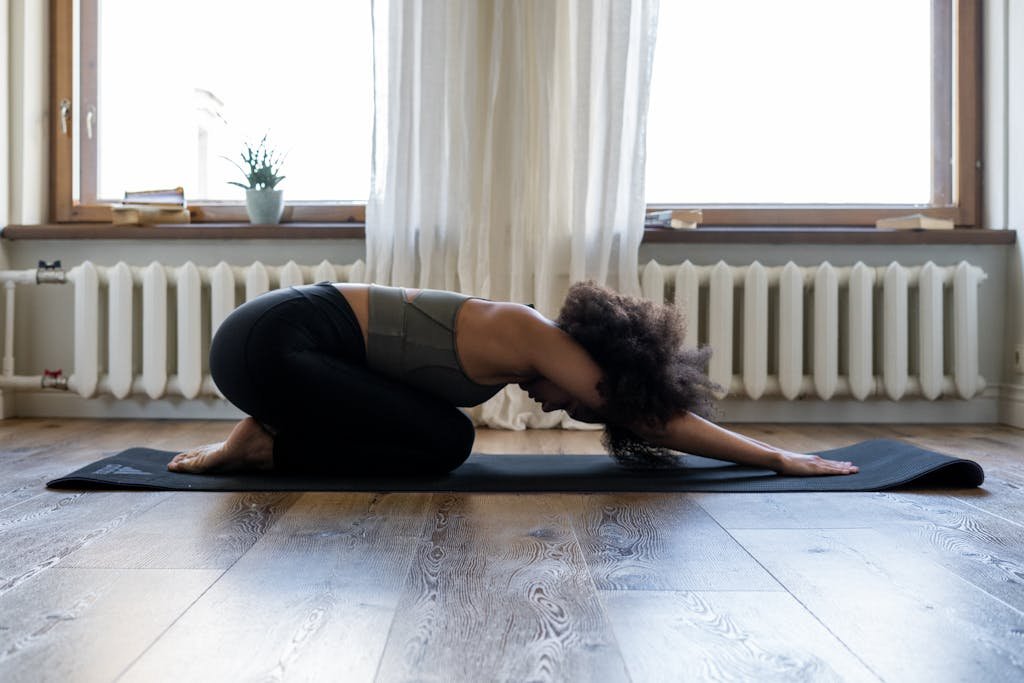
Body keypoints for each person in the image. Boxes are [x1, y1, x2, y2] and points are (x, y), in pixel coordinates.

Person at [168, 281, 859, 477]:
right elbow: (656, 417)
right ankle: (261, 442)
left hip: (277, 351)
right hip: (270, 340)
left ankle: (264, 435)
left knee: (440, 435)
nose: (558, 406)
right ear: (595, 364)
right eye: (580, 402)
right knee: (443, 444)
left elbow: (361, 396)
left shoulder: (506, 348)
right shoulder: (532, 333)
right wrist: (773, 455)